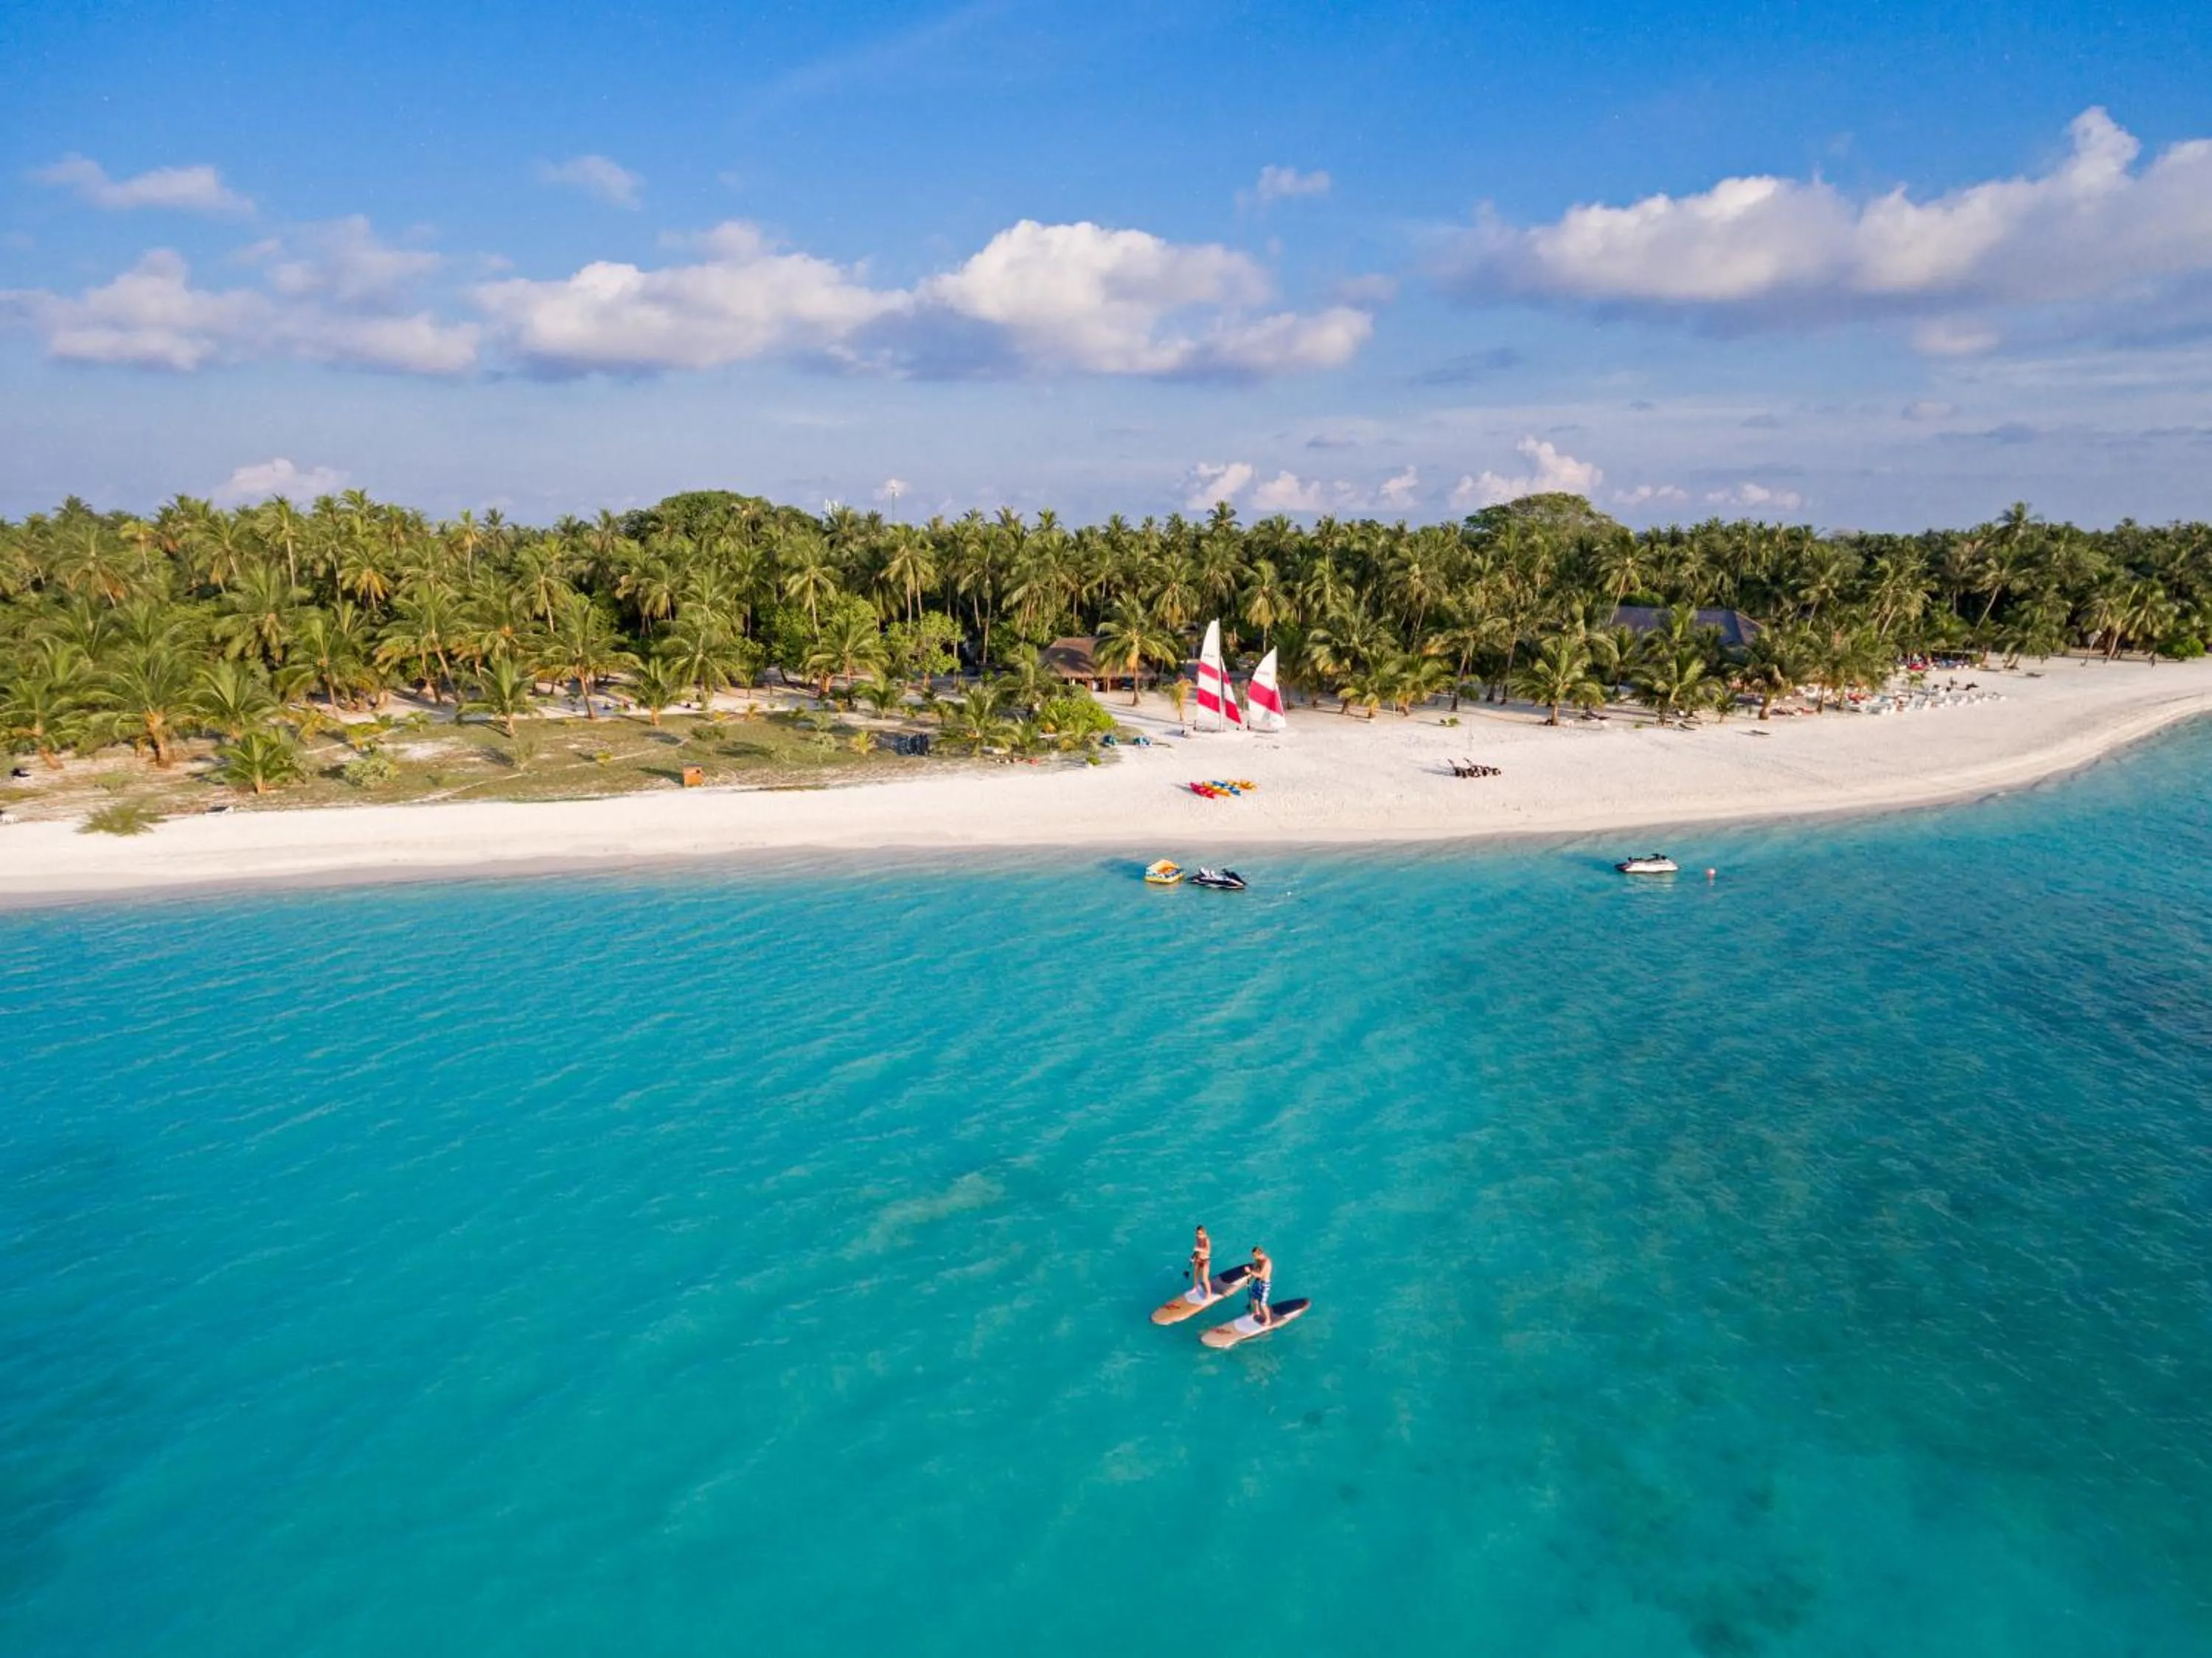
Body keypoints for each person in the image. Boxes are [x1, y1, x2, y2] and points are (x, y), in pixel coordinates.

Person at [1247, 1245, 1273, 1326]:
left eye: (1254, 1256)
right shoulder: (1258, 1260)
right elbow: (1255, 1270)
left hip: (1265, 1284)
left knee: (1263, 1304)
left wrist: (1249, 1272)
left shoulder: (1267, 1262)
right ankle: (1256, 1312)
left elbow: (1261, 1275)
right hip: (1258, 1282)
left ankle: (1268, 1320)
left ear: (1259, 1254)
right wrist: (1250, 1278)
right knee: (1254, 1299)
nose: (1253, 1257)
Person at [1189, 1225, 1212, 1299]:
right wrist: (1193, 1257)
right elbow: (1197, 1249)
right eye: (1197, 1233)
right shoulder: (1197, 1238)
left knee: (1204, 1279)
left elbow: (1208, 1252)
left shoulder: (1207, 1240)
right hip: (1198, 1259)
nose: (1198, 1235)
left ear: (1204, 1233)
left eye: (1200, 1234)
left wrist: (1199, 1249)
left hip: (1205, 1261)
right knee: (1195, 1275)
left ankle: (1209, 1294)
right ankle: (1195, 1288)